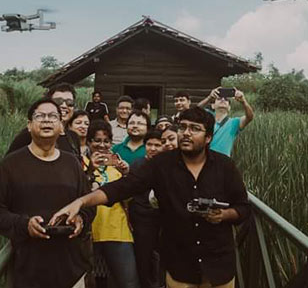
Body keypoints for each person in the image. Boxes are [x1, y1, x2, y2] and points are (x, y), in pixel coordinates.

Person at [50, 106, 251, 288]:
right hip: (180, 264)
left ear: (208, 137)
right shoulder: (161, 164)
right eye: (183, 127)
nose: (186, 133)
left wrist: (224, 215)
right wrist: (81, 201)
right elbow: (121, 188)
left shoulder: (225, 166)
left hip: (218, 263)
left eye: (195, 128)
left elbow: (243, 208)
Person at [0, 98, 94, 288]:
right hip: (29, 269)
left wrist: (81, 219)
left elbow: (87, 204)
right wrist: (24, 224)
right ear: (29, 125)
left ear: (61, 126)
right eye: (40, 116)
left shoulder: (72, 164)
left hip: (72, 267)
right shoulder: (11, 165)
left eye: (53, 116)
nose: (46, 120)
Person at [85, 120, 140, 288]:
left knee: (128, 282)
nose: (102, 145)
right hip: (89, 231)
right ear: (89, 142)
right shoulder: (79, 164)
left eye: (106, 141)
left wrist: (126, 176)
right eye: (97, 140)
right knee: (87, 283)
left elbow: (130, 199)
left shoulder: (118, 165)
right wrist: (89, 171)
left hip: (117, 230)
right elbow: (77, 194)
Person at [5, 83, 82, 158]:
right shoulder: (32, 133)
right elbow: (8, 164)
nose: (64, 106)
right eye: (58, 101)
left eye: (69, 103)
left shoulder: (73, 137)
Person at [129, 130, 165, 288]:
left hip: (162, 219)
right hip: (141, 219)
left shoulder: (168, 165)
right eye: (150, 144)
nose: (153, 148)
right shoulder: (137, 164)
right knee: (143, 257)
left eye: (158, 145)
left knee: (162, 256)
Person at [195, 88, 255, 157]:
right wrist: (209, 98)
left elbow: (250, 117)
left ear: (229, 108)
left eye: (226, 100)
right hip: (204, 160)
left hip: (223, 163)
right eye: (219, 99)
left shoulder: (234, 123)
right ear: (213, 106)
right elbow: (195, 110)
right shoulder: (206, 116)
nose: (223, 100)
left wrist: (243, 101)